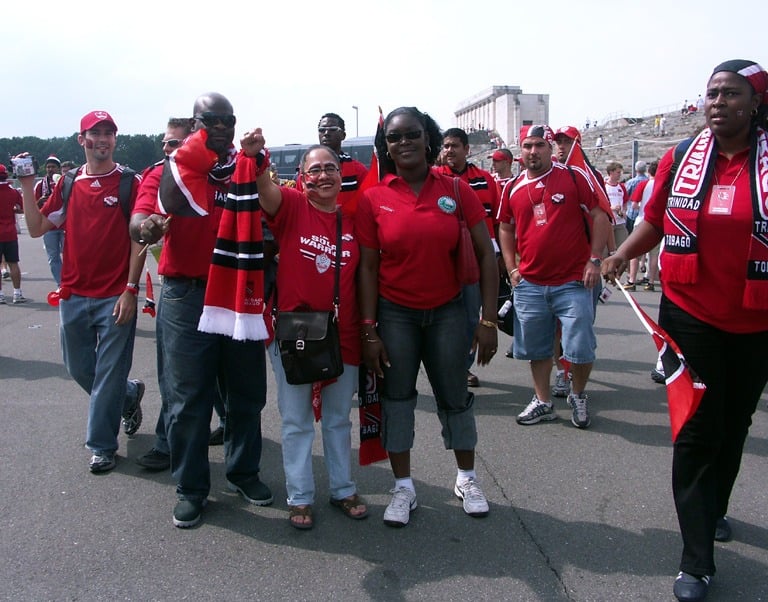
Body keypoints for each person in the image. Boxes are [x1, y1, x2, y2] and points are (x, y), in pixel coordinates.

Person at [602, 59, 768, 602]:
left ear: (757, 102)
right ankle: (696, 561)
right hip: (690, 315)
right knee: (696, 430)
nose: (718, 102)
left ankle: (715, 507)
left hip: (756, 322)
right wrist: (621, 255)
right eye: (712, 93)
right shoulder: (680, 158)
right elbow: (655, 219)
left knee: (733, 424)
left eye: (731, 93)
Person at [130, 93, 272, 528]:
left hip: (238, 291)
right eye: (211, 119)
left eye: (228, 119)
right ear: (195, 124)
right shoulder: (167, 172)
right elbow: (139, 221)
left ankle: (243, 472)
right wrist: (147, 227)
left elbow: (273, 210)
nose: (222, 125)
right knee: (188, 397)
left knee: (246, 392)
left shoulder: (248, 166)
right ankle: (191, 487)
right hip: (186, 294)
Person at [356, 106, 498, 527]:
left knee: (455, 397)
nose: (404, 143)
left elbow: (488, 256)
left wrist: (487, 320)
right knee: (397, 400)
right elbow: (367, 267)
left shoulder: (456, 188)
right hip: (395, 316)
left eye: (412, 134)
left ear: (428, 138)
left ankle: (467, 478)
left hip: (450, 313)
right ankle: (403, 487)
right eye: (395, 137)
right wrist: (368, 330)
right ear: (386, 146)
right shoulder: (373, 198)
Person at [246, 134, 367, 530]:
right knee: (296, 420)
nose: (324, 175)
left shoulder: (354, 222)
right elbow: (265, 190)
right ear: (301, 178)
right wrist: (256, 157)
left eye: (331, 168)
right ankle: (299, 497)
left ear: (342, 174)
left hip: (343, 336)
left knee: (337, 420)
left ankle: (343, 489)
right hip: (295, 334)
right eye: (314, 169)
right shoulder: (294, 206)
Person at [17, 110, 145, 473]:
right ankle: (130, 394)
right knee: (79, 369)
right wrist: (27, 184)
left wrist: (131, 290)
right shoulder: (70, 182)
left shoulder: (128, 183)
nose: (102, 140)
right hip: (73, 294)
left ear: (115, 140)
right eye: (95, 133)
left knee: (106, 375)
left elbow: (139, 240)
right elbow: (39, 226)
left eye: (108, 133)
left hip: (115, 296)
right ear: (82, 139)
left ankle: (102, 446)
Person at [498, 125, 610, 430]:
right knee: (536, 349)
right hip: (531, 282)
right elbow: (506, 228)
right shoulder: (511, 187)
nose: (533, 152)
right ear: (520, 152)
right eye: (527, 146)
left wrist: (595, 260)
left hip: (573, 280)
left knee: (581, 346)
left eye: (539, 145)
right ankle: (543, 401)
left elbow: (600, 215)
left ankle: (578, 394)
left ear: (549, 148)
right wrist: (512, 268)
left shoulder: (573, 177)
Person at [135, 117, 195, 472]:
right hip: (179, 288)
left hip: (225, 287)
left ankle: (235, 439)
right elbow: (139, 223)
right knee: (174, 375)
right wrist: (147, 227)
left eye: (175, 144)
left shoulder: (220, 173)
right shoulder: (157, 175)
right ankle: (166, 442)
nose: (167, 150)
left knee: (223, 375)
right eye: (165, 144)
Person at [436, 127, 500, 388]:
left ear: (466, 149)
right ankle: (443, 364)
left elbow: (496, 220)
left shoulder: (485, 179)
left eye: (454, 146)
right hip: (443, 263)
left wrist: (501, 259)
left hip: (476, 259)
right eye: (446, 146)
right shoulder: (435, 177)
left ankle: (463, 366)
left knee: (472, 316)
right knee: (444, 317)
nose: (449, 150)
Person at [296, 112, 368, 213]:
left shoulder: (358, 171)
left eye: (332, 129)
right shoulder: (306, 169)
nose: (326, 133)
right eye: (322, 130)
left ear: (343, 135)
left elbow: (367, 206)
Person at [33, 155, 64, 286]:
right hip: (48, 227)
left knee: (70, 256)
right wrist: (40, 202)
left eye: (53, 167)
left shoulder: (65, 182)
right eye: (48, 167)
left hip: (64, 225)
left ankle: (71, 282)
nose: (50, 169)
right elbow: (32, 205)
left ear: (58, 168)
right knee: (53, 258)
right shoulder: (40, 184)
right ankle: (61, 284)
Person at [0, 164, 26, 304]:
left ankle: (1, 294)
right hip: (10, 232)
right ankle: (17, 293)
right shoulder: (13, 192)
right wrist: (13, 211)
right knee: (13, 263)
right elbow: (23, 208)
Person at [623, 160, 648, 235]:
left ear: (635, 169)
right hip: (644, 213)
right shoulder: (649, 181)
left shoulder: (631, 182)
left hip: (631, 213)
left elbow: (624, 195)